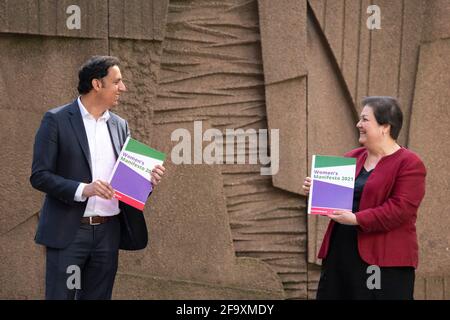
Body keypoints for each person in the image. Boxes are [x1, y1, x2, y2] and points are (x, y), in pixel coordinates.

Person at [30, 55, 166, 300]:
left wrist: (147, 181)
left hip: (108, 232)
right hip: (69, 232)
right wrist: (85, 189)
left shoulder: (120, 125)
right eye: (117, 82)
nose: (122, 88)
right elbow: (40, 176)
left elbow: (126, 183)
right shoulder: (56, 120)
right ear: (97, 84)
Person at [302, 96, 426, 300]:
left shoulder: (410, 163)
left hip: (382, 261)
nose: (358, 124)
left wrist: (357, 219)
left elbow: (400, 209)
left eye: (365, 119)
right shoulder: (352, 157)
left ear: (385, 126)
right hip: (340, 254)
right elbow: (335, 206)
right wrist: (317, 192)